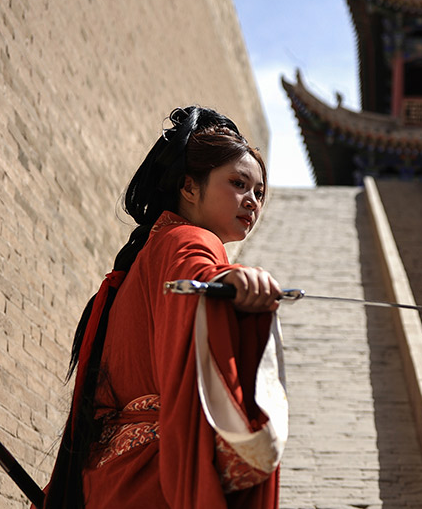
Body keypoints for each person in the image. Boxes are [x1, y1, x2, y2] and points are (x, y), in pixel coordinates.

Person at [42, 106, 287, 508]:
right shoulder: (191, 238)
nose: (252, 201)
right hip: (156, 480)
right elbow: (196, 276)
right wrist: (227, 282)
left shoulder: (148, 253)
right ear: (189, 187)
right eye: (238, 183)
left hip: (109, 477)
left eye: (259, 193)